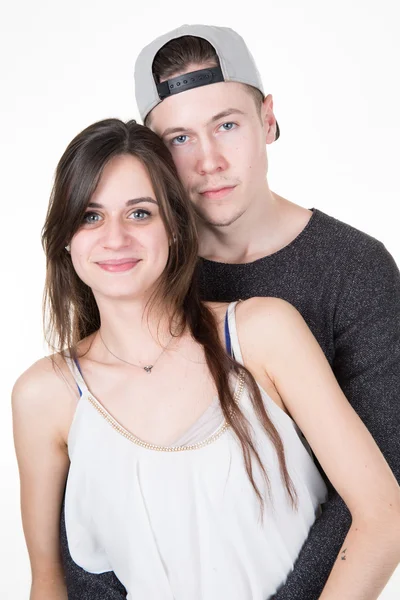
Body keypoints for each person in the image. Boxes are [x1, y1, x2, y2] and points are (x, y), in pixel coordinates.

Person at [60, 24, 400, 599]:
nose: (209, 161)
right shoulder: (130, 263)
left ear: (268, 119)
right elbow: (95, 480)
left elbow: (380, 492)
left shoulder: (355, 269)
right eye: (179, 139)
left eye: (226, 125)